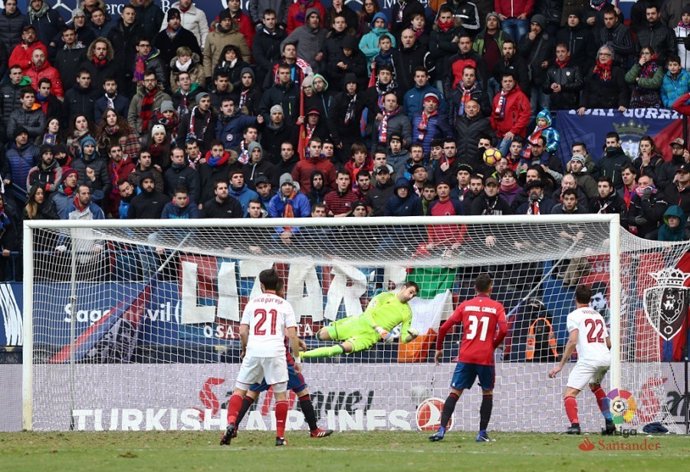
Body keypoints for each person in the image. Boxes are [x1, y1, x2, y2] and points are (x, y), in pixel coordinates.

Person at [220, 268, 300, 447]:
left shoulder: (252, 303)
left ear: (261, 285)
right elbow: (293, 335)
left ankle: (231, 423)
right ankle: (279, 437)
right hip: (276, 351)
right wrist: (297, 360)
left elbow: (242, 331)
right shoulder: (284, 304)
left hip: (254, 351)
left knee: (239, 391)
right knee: (281, 397)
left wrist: (245, 348)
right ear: (277, 284)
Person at [429, 273, 507, 443]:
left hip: (465, 356)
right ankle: (481, 433)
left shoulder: (465, 305)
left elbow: (443, 328)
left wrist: (439, 348)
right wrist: (493, 345)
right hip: (485, 357)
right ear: (491, 287)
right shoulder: (497, 307)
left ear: (474, 288)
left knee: (455, 391)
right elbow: (504, 330)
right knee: (487, 392)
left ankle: (441, 430)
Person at [548, 284, 615, 436]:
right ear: (590, 299)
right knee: (595, 386)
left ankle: (575, 425)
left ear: (575, 299)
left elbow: (572, 341)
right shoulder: (598, 316)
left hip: (589, 359)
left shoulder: (574, 316)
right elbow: (609, 343)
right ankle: (610, 423)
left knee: (569, 393)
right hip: (605, 358)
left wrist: (560, 365)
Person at [301, 281, 420, 360]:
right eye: (410, 292)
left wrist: (412, 336)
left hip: (369, 337)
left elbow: (404, 339)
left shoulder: (407, 313)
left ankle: (302, 356)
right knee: (321, 335)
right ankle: (337, 326)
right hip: (358, 324)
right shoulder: (385, 296)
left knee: (336, 350)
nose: (410, 297)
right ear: (404, 288)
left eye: (413, 295)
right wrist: (378, 328)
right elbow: (368, 314)